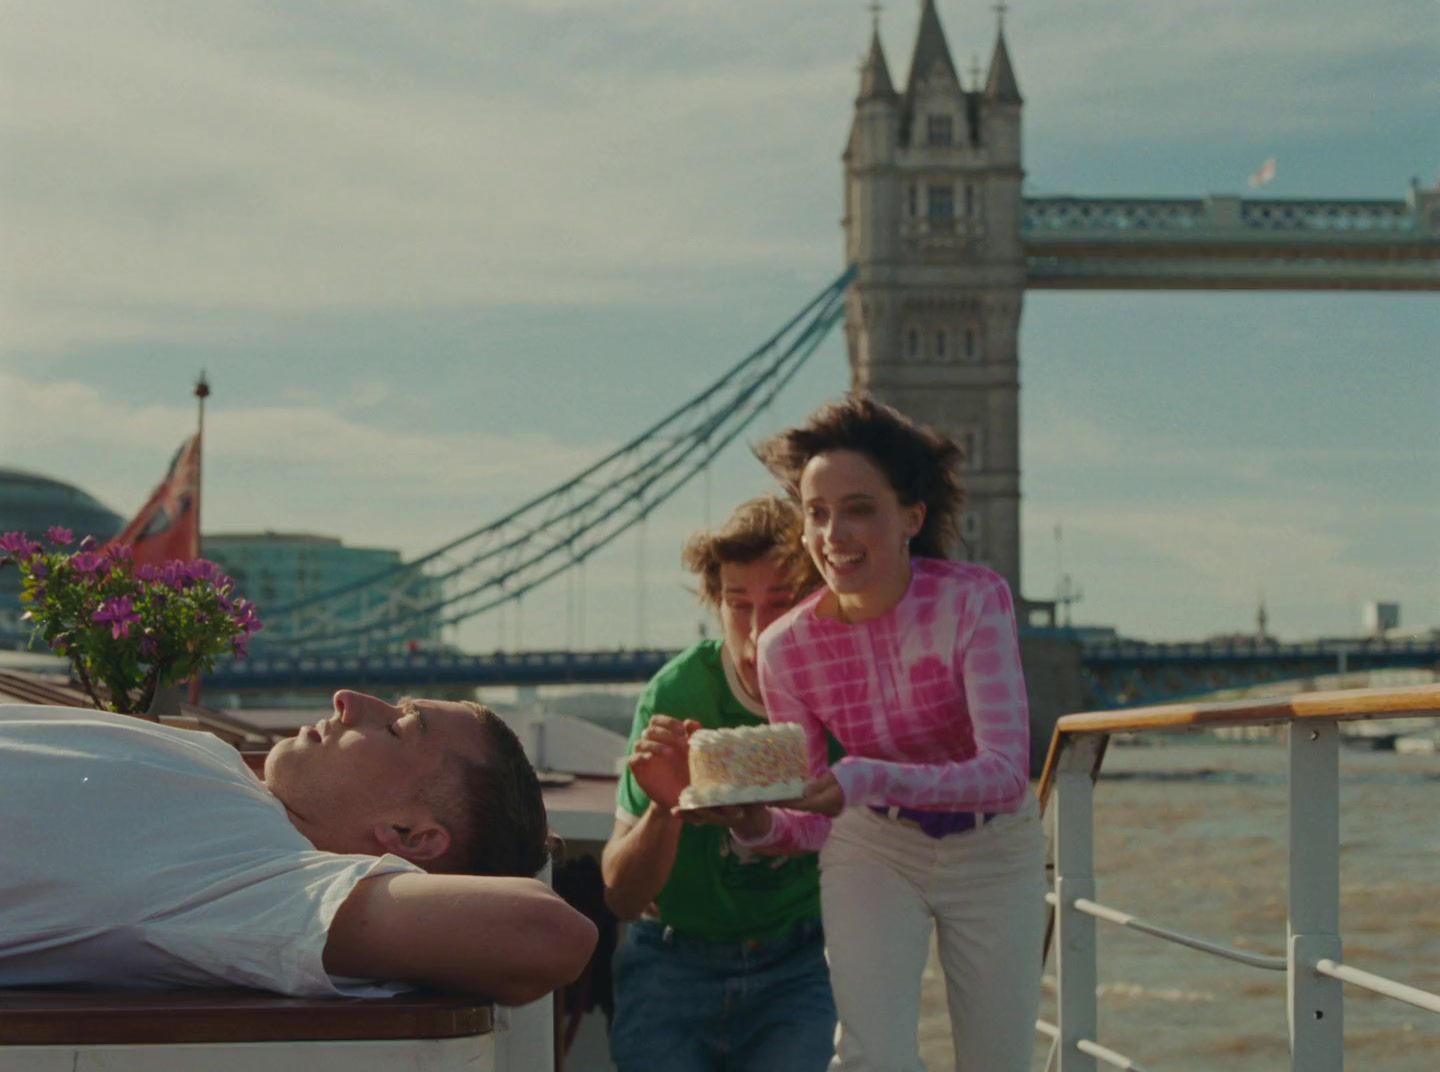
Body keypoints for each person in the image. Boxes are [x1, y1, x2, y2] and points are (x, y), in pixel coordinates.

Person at [733, 396, 1046, 1071]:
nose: (833, 533)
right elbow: (813, 822)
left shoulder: (973, 600)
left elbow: (1001, 772)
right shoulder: (785, 649)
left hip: (995, 850)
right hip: (874, 846)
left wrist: (864, 776)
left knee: (998, 1061)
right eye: (817, 513)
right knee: (873, 1058)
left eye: (859, 508)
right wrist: (754, 821)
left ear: (912, 517)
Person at [0, 690, 597, 1004]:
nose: (348, 699)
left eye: (395, 729)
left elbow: (547, 935)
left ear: (410, 837)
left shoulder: (264, 885)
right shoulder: (225, 769)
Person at [601, 496, 838, 1072]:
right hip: (671, 962)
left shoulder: (844, 690)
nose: (757, 633)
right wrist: (666, 806)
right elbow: (623, 898)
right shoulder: (676, 694)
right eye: (738, 604)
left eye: (780, 604)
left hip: (799, 964)